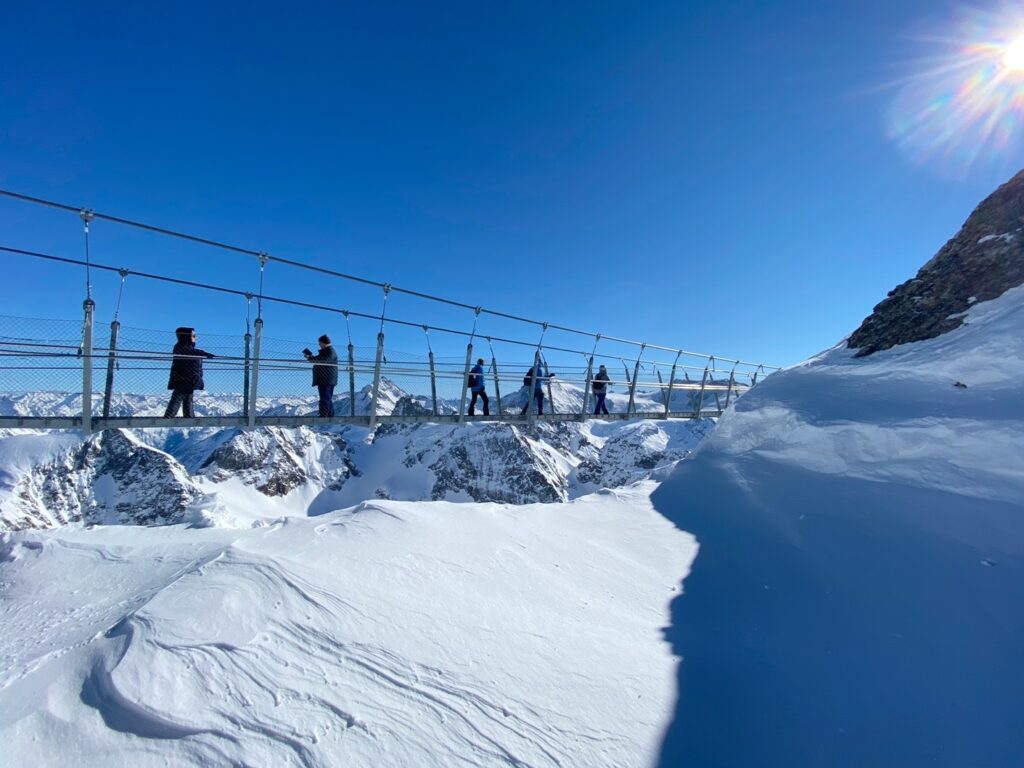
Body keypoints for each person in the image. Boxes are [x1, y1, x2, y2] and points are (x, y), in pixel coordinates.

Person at [164, 327, 215, 418]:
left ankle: (189, 415)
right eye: (193, 335)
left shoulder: (186, 348)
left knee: (188, 398)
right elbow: (190, 352)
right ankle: (169, 416)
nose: (196, 338)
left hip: (190, 379)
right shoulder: (180, 347)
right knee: (177, 397)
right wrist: (204, 353)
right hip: (182, 378)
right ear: (186, 336)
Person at [303, 334, 338, 417]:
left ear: (323, 343)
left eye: (320, 343)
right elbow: (319, 360)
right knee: (327, 398)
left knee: (325, 398)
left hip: (326, 378)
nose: (319, 345)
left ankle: (324, 414)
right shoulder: (328, 351)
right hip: (327, 378)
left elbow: (322, 360)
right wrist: (310, 357)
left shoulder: (329, 352)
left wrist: (311, 358)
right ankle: (329, 414)